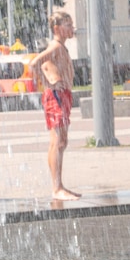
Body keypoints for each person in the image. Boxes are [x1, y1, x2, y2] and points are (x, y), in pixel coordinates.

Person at [30, 11, 81, 201]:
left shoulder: (61, 47)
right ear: (57, 28)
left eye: (71, 24)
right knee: (57, 141)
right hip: (56, 96)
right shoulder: (55, 46)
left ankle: (60, 186)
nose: (71, 28)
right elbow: (35, 63)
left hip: (62, 95)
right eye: (68, 25)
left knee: (62, 141)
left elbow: (43, 66)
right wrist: (49, 83)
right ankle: (56, 188)